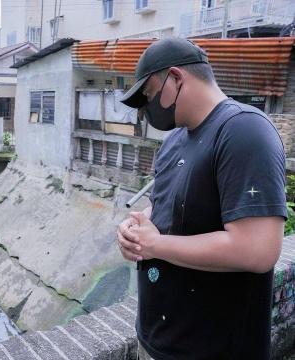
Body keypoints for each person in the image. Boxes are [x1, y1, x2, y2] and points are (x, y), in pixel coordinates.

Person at [116, 37, 287, 359]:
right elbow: (166, 203)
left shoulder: (243, 130)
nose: (146, 110)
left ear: (177, 79)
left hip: (214, 348)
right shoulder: (176, 139)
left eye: (150, 95)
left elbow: (257, 249)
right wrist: (136, 227)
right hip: (158, 340)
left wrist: (154, 245)